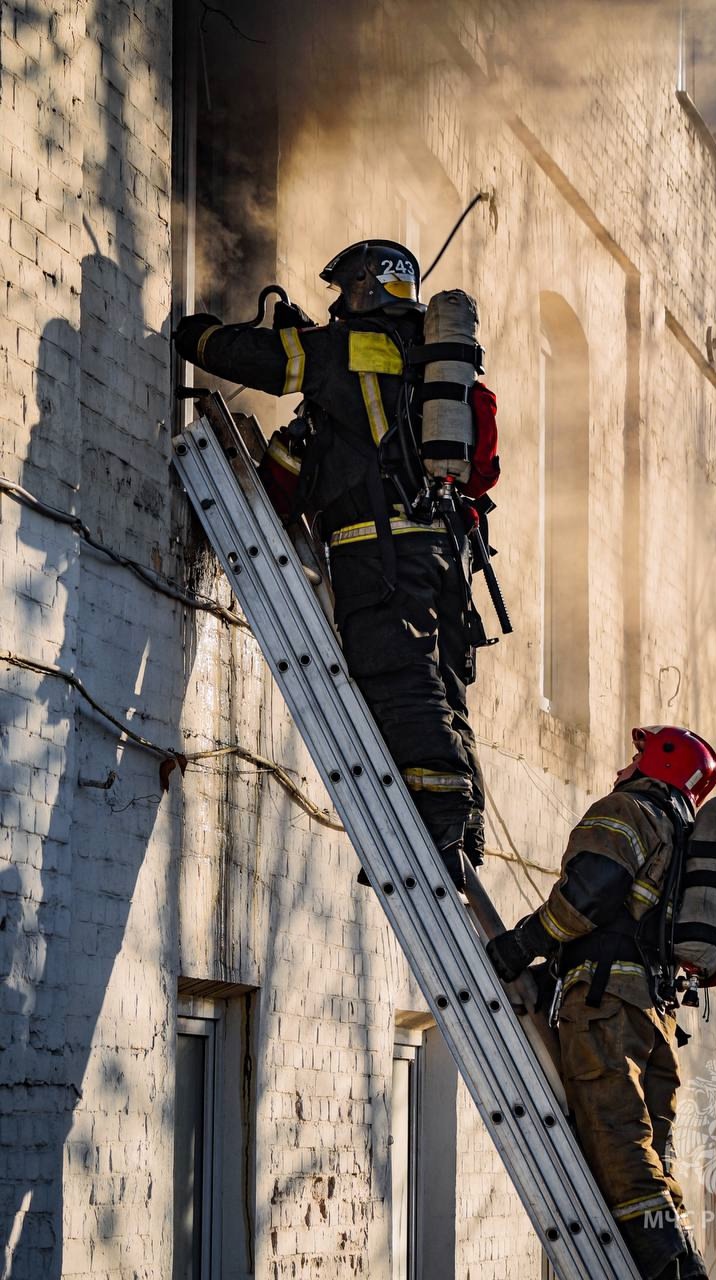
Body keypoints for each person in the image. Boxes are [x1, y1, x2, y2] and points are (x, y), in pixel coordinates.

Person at [174, 241, 496, 889]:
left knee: (390, 664)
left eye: (343, 288)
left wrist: (193, 332)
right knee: (437, 681)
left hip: (376, 544)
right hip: (443, 550)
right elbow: (312, 454)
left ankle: (439, 806)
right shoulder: (431, 368)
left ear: (363, 286)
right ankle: (461, 831)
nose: (333, 302)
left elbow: (263, 361)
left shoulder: (348, 346)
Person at [486, 725, 716, 1280]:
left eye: (634, 757)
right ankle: (678, 1255)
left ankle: (669, 1271)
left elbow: (588, 896)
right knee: (653, 1160)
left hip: (607, 1009)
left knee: (618, 1146)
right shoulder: (684, 835)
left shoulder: (630, 809)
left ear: (658, 764)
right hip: (655, 1017)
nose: (622, 768)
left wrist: (523, 945)